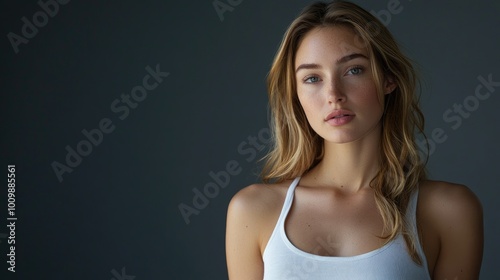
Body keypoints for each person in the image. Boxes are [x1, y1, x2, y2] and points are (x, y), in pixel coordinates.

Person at [225, 1, 484, 279]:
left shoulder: (450, 211)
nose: (333, 94)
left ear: (389, 79)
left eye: (353, 70)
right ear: (295, 95)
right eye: (312, 78)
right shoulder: (252, 210)